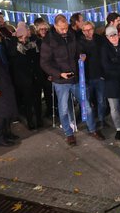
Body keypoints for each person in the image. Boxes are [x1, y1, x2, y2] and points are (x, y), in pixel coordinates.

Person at [40, 15, 104, 146]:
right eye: (62, 29)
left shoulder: (72, 35)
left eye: (66, 28)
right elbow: (44, 63)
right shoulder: (48, 40)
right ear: (55, 26)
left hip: (76, 78)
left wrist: (82, 56)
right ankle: (69, 134)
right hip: (61, 81)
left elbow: (79, 51)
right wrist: (59, 74)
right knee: (63, 110)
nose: (64, 31)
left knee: (87, 106)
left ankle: (92, 129)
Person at [8, 22, 42, 130]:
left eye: (25, 36)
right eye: (21, 37)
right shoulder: (14, 46)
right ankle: (30, 121)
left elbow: (37, 59)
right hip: (23, 79)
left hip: (35, 77)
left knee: (37, 100)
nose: (23, 39)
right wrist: (15, 39)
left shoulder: (32, 44)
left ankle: (39, 120)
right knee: (28, 101)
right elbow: (12, 55)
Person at [79, 20, 107, 128]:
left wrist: (104, 73)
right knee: (88, 101)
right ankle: (91, 121)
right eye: (85, 30)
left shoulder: (100, 40)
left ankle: (101, 119)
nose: (87, 32)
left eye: (89, 30)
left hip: (99, 75)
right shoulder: (80, 42)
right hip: (87, 77)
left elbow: (105, 57)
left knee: (101, 101)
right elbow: (78, 56)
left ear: (93, 29)